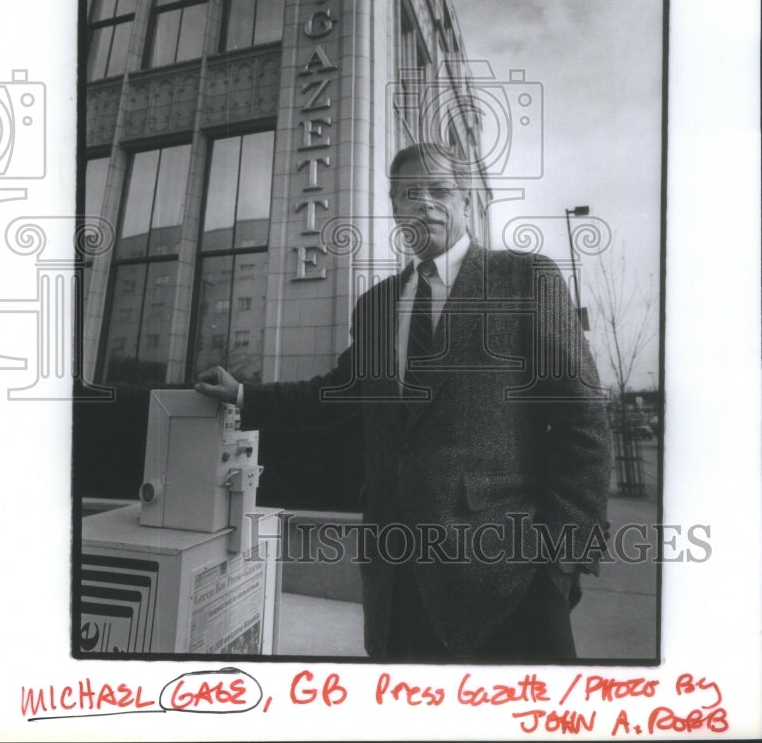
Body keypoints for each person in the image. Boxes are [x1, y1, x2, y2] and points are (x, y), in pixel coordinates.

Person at [196, 142, 610, 662]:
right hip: (398, 579)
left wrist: (563, 559)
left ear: (465, 203)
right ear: (395, 209)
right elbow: (334, 394)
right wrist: (243, 393)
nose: (425, 203)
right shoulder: (375, 307)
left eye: (439, 190)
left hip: (509, 578)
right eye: (410, 194)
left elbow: (583, 418)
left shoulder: (526, 279)